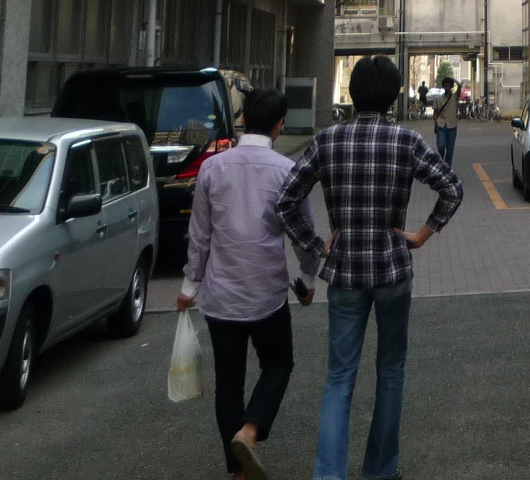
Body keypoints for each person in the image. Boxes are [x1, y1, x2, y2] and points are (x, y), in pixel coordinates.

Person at [276, 55, 464, 480]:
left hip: (344, 273)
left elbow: (285, 201)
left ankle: (329, 474)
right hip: (393, 269)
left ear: (352, 94)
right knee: (391, 370)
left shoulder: (326, 141)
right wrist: (422, 234)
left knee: (339, 378)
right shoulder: (406, 141)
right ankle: (380, 469)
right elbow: (452, 187)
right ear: (394, 96)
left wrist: (316, 245)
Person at [179, 88, 319, 480]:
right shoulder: (286, 170)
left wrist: (189, 286)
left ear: (243, 121)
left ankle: (238, 472)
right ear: (280, 125)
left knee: (229, 383)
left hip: (221, 295)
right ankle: (250, 430)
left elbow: (200, 233)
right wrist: (307, 279)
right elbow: (303, 232)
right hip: (266, 294)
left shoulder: (212, 168)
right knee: (278, 364)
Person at [428, 76, 459, 165]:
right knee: (441, 147)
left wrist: (452, 79)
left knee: (450, 149)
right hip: (441, 125)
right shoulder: (438, 99)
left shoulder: (455, 97)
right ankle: (441, 163)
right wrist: (436, 123)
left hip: (452, 125)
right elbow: (435, 113)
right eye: (445, 86)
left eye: (449, 86)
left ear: (451, 87)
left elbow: (460, 85)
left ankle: (447, 167)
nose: (447, 88)